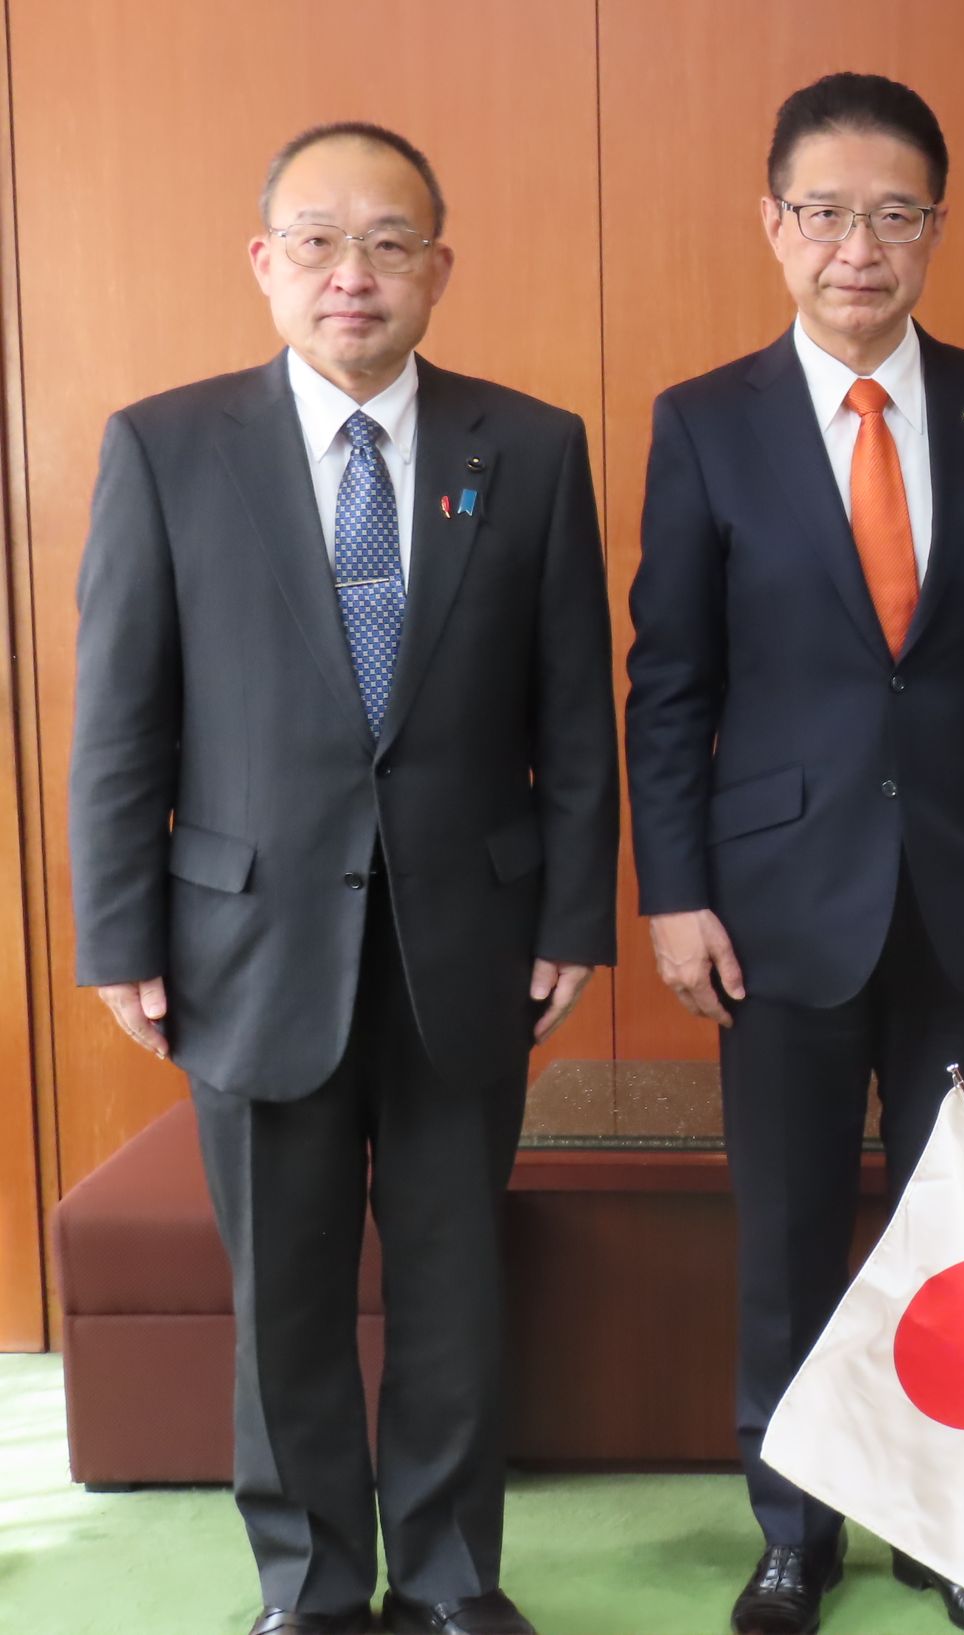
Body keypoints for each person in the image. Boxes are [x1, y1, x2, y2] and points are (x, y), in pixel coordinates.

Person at [69, 122, 619, 1635]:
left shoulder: (537, 446)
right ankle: (308, 1585)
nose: (352, 275)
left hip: (473, 940)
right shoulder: (167, 448)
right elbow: (122, 720)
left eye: (389, 242)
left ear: (441, 265)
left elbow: (576, 713)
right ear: (264, 265)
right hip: (246, 942)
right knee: (287, 1301)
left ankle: (448, 1575)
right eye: (317, 241)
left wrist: (577, 914)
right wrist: (119, 931)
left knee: (456, 1286)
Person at [623, 71, 964, 1635]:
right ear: (774, 226)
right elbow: (671, 680)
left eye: (894, 215)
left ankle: (947, 1528)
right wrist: (676, 893)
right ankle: (794, 1524)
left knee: (956, 1227)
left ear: (935, 229)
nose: (858, 246)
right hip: (773, 902)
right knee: (792, 1225)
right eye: (825, 213)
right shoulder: (705, 423)